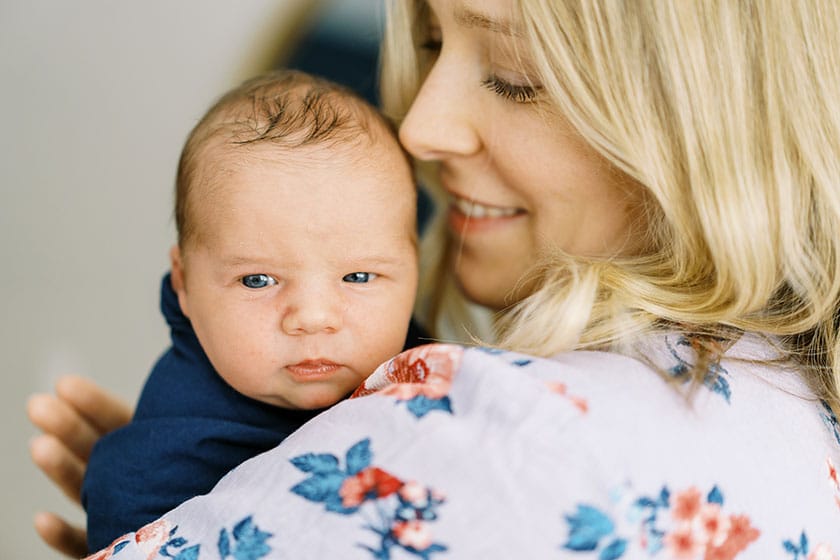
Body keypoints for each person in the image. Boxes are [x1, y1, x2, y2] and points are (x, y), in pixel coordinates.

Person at [29, 0, 840, 558]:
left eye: (516, 73)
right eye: (429, 43)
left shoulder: (498, 435)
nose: (418, 127)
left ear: (702, 112)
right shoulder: (789, 399)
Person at [71, 69, 420, 553]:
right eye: (258, 280)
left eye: (358, 277)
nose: (314, 317)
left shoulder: (434, 364)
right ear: (184, 283)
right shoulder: (156, 468)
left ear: (414, 270)